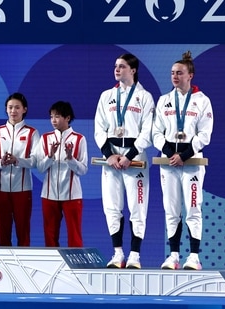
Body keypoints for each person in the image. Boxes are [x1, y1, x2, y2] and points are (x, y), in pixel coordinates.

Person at [152, 51, 213, 270]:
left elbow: (205, 135)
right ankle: (174, 255)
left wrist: (184, 155)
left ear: (190, 75)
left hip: (192, 163)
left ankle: (194, 257)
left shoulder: (202, 101)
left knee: (193, 207)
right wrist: (170, 153)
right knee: (171, 209)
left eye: (180, 73)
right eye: (172, 73)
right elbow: (156, 132)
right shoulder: (164, 101)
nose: (175, 76)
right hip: (168, 163)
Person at [94, 54, 155, 269]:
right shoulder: (106, 96)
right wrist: (109, 154)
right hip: (110, 159)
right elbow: (99, 129)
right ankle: (117, 253)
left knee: (137, 206)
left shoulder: (145, 97)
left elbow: (147, 131)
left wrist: (129, 156)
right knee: (112, 207)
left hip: (135, 158)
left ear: (133, 70)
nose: (117, 69)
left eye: (122, 66)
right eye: (115, 66)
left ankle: (135, 255)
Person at [0, 93, 40, 246]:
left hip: (23, 191)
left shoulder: (32, 133)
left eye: (17, 107)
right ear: (6, 110)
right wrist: (0, 162)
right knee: (2, 234)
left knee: (23, 233)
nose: (13, 111)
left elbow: (36, 161)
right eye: (10, 107)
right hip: (0, 190)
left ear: (25, 110)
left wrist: (18, 161)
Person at [35, 101, 88, 247]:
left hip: (72, 195)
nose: (53, 120)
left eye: (57, 116)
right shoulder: (45, 139)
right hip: (48, 194)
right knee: (50, 235)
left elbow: (83, 170)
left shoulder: (79, 139)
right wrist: (50, 156)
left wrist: (71, 159)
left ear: (68, 118)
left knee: (74, 235)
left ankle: (77, 268)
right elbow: (40, 167)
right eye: (51, 116)